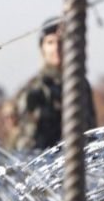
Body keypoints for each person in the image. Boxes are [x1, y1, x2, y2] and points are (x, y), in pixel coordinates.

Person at [7, 16, 95, 153]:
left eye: (61, 41)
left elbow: (91, 131)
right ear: (42, 48)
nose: (56, 47)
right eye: (50, 42)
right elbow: (26, 146)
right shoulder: (35, 89)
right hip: (47, 161)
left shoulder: (81, 85)